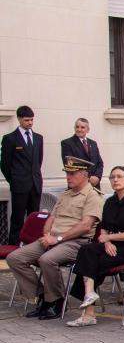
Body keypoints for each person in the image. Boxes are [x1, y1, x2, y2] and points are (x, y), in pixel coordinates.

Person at [8, 156, 103, 320]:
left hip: (75, 242)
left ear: (84, 175)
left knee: (47, 260)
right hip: (53, 239)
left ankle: (57, 302)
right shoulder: (65, 195)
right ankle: (44, 296)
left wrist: (57, 239)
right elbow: (51, 218)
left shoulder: (93, 196)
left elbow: (85, 226)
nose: (68, 177)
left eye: (72, 174)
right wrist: (47, 235)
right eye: (67, 173)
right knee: (15, 258)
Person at [64, 166, 124, 327]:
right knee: (86, 250)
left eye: (119, 176)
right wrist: (107, 242)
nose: (115, 180)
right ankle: (89, 293)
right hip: (115, 244)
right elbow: (104, 226)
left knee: (95, 263)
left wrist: (108, 237)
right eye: (112, 177)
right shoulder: (110, 201)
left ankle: (88, 313)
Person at [1, 106, 43, 245]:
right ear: (19, 119)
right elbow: (5, 165)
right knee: (18, 219)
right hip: (19, 185)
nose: (30, 123)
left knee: (35, 218)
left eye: (32, 120)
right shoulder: (10, 139)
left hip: (35, 185)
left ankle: (33, 247)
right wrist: (14, 180)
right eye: (26, 120)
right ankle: (13, 247)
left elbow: (38, 161)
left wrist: (35, 178)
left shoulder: (38, 138)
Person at [60, 118, 103, 188]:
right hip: (78, 185)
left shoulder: (93, 143)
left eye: (82, 127)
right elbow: (70, 165)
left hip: (94, 186)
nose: (79, 129)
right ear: (74, 128)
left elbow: (100, 163)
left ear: (88, 130)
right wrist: (89, 177)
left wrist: (97, 177)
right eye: (77, 127)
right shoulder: (67, 143)